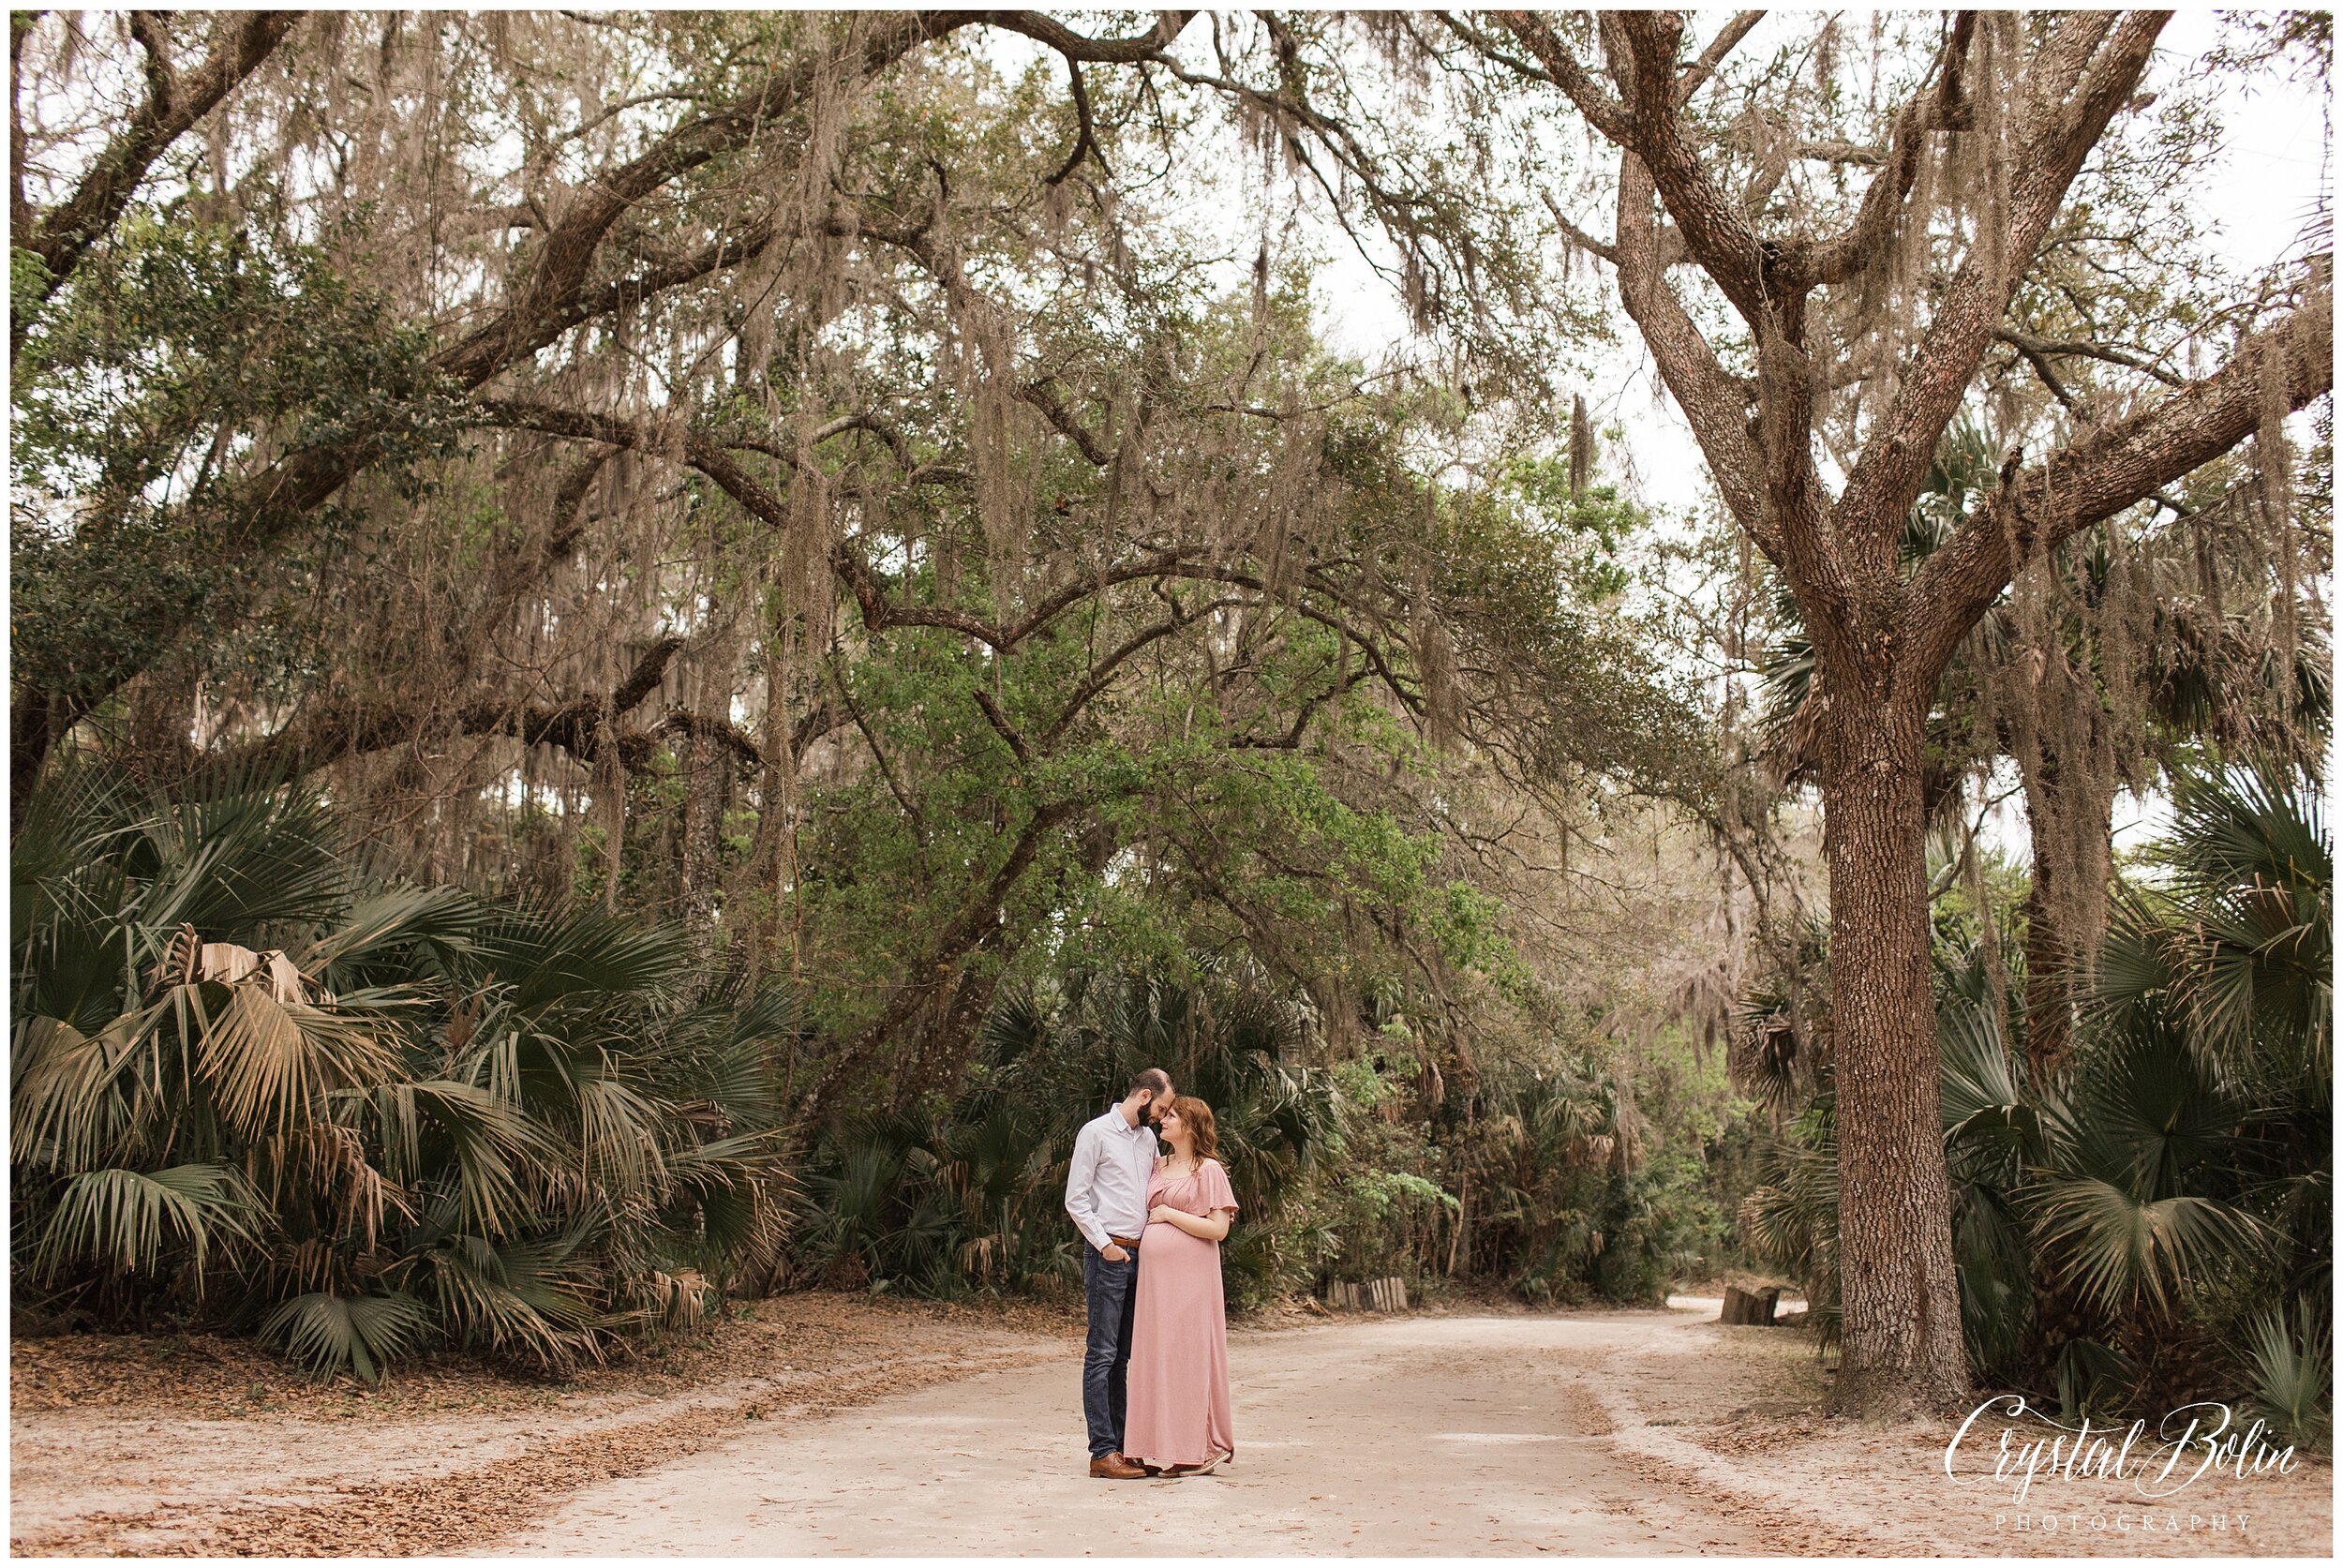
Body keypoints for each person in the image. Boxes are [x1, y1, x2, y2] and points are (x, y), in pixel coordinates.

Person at [1063, 1066, 1175, 1479]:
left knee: (1123, 1358)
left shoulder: (1147, 1141)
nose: (1162, 1118)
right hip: (1108, 1254)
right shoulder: (1095, 1133)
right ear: (1145, 1096)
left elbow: (1155, 1191)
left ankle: (1124, 1447)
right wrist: (1106, 1246)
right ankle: (1102, 1452)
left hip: (1140, 1259)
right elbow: (1076, 1199)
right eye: (1162, 1108)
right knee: (1102, 1354)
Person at [1122, 1095, 1239, 1476]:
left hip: (1192, 1279)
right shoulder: (1158, 1164)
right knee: (1157, 1357)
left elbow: (1218, 1229)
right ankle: (1158, 1445)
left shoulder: (1209, 1171)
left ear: (1190, 1125)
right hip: (1155, 1283)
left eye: (1171, 1116)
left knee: (1187, 1357)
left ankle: (1195, 1449)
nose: (1162, 1120)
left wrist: (1169, 1214)